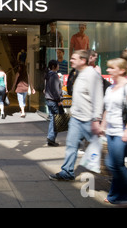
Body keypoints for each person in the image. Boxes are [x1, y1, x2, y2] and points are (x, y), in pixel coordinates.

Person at [49, 50, 104, 181]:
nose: (71, 60)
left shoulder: (92, 75)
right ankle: (67, 172)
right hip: (76, 119)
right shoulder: (77, 73)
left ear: (83, 61)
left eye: (74, 58)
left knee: (99, 147)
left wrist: (96, 119)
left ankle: (116, 171)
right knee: (71, 145)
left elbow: (98, 98)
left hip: (88, 120)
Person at [95, 58, 127, 205]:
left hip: (124, 133)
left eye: (112, 68)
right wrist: (103, 126)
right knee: (116, 164)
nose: (108, 70)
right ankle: (115, 195)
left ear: (121, 70)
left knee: (113, 164)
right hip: (111, 132)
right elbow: (108, 110)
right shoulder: (110, 88)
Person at [44, 60, 63, 146]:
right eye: (57, 65)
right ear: (53, 66)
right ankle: (51, 138)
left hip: (48, 100)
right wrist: (59, 100)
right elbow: (56, 90)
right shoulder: (54, 76)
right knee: (56, 121)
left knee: (52, 119)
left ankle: (50, 137)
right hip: (54, 101)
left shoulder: (48, 75)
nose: (58, 66)